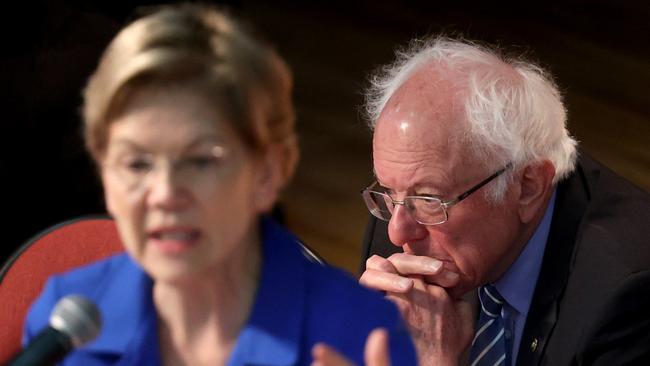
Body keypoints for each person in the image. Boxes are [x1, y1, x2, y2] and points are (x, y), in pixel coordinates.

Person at [22, 4, 417, 365]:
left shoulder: (365, 335)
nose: (164, 194)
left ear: (268, 172)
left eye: (200, 162)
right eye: (136, 163)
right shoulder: (62, 321)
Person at [358, 37, 650, 365]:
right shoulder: (402, 216)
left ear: (528, 187)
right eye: (388, 191)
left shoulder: (626, 299)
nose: (397, 233)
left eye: (429, 199)